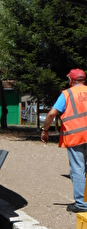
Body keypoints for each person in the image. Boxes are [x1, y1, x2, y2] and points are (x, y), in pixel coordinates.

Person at [41, 68, 87, 212]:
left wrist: (45, 130)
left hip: (76, 136)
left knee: (78, 168)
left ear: (71, 81)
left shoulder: (67, 94)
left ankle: (81, 204)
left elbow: (51, 114)